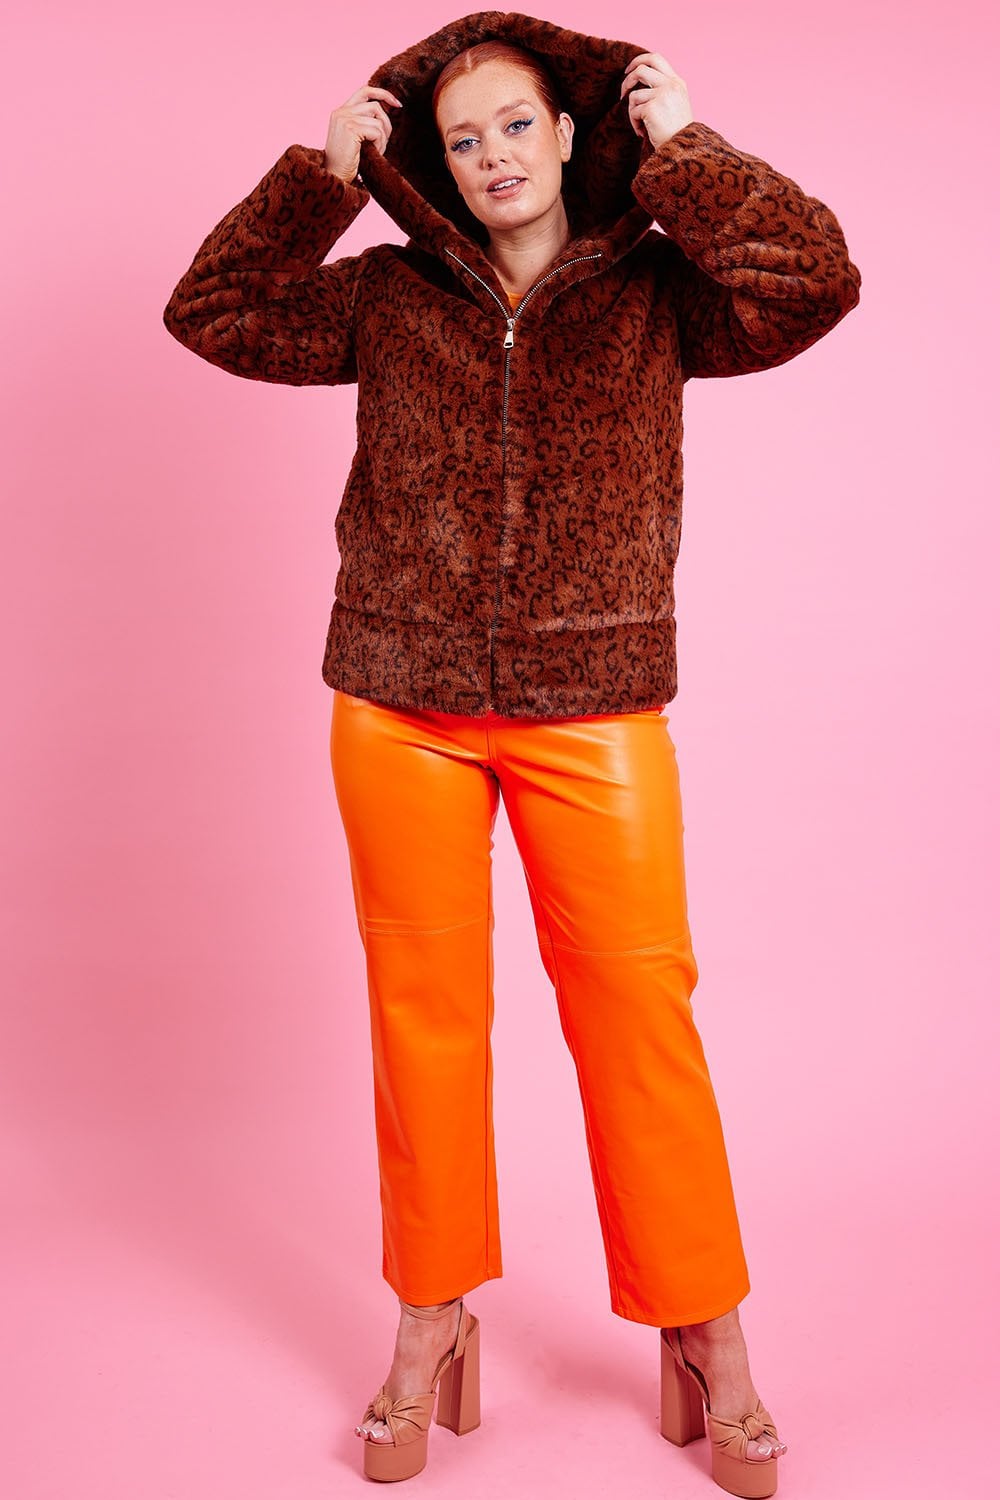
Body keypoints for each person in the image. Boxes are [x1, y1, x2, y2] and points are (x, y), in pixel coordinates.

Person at [162, 12, 860, 1495]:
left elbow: (814, 279)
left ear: (571, 131)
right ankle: (431, 1317)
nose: (491, 156)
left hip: (592, 705)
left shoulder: (660, 290)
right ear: (431, 159)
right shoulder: (386, 293)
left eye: (516, 125)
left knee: (639, 1018)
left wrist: (688, 149)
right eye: (460, 136)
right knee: (423, 1018)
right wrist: (317, 179)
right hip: (397, 701)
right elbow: (212, 311)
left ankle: (706, 1326)